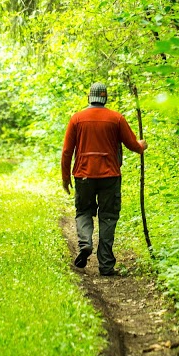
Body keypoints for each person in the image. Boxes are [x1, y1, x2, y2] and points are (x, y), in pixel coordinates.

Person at [62, 82, 147, 275]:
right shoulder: (116, 118)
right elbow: (133, 145)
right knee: (108, 217)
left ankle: (85, 243)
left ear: (89, 98)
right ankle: (106, 265)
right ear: (105, 98)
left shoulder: (77, 119)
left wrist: (65, 177)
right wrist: (142, 146)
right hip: (110, 175)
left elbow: (67, 151)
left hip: (83, 175)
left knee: (83, 211)